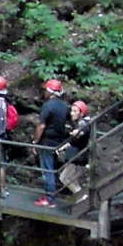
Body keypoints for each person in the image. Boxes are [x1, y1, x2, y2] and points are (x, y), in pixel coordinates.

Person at [33, 78, 71, 206]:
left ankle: (49, 199)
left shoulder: (48, 105)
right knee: (53, 168)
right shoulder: (64, 106)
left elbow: (41, 125)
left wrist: (35, 141)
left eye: (46, 90)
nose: (44, 93)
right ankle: (51, 195)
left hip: (47, 141)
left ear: (50, 92)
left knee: (47, 169)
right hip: (58, 141)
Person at [58, 100, 92, 199]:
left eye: (75, 111)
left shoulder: (83, 123)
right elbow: (75, 141)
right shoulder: (83, 122)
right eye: (71, 111)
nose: (72, 113)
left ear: (81, 113)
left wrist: (76, 132)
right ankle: (81, 197)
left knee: (64, 178)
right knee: (71, 179)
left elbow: (82, 131)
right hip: (78, 155)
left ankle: (82, 197)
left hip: (78, 157)